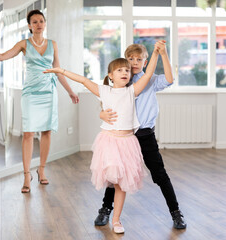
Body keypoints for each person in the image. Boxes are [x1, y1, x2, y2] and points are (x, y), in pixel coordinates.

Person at [44, 41, 162, 233]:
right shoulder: (104, 90)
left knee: (122, 184)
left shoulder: (132, 91)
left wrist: (156, 52)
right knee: (115, 180)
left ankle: (116, 220)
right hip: (109, 142)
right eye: (120, 70)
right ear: (110, 76)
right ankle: (111, 215)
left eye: (127, 70)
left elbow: (148, 74)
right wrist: (61, 71)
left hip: (128, 142)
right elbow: (82, 80)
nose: (125, 73)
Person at [0, 10, 79, 193]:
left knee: (46, 132)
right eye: (34, 22)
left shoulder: (53, 44)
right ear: (29, 25)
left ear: (45, 23)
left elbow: (58, 71)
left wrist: (70, 91)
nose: (38, 24)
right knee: (28, 134)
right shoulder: (24, 44)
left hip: (48, 93)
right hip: (30, 93)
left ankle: (41, 170)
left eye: (41, 21)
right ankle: (26, 175)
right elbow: (3, 56)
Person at [94, 43, 187, 229]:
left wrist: (163, 54)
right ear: (124, 61)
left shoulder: (149, 80)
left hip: (144, 136)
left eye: (139, 59)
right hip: (123, 138)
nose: (135, 62)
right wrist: (102, 113)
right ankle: (105, 209)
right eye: (131, 59)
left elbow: (169, 78)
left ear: (145, 62)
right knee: (115, 176)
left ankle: (176, 212)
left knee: (160, 174)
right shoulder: (122, 80)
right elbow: (107, 101)